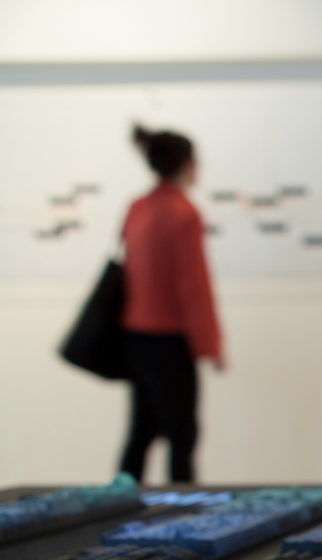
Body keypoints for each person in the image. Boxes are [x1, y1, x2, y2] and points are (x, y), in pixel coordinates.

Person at [117, 125, 224, 484]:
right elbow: (193, 287)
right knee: (182, 435)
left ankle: (115, 502)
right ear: (186, 164)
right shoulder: (183, 213)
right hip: (169, 340)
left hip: (136, 336)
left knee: (141, 432)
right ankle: (185, 507)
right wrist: (210, 345)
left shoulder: (137, 207)